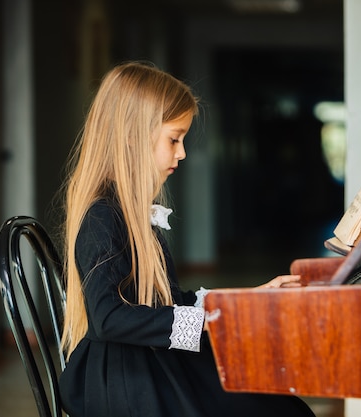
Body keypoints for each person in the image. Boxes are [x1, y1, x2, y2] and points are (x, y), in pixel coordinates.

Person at [58, 61, 316, 417]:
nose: (181, 153)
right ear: (133, 136)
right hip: (121, 381)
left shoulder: (131, 213)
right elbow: (108, 318)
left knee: (280, 403)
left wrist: (245, 304)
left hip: (143, 361)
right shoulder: (104, 216)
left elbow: (166, 300)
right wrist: (213, 322)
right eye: (174, 139)